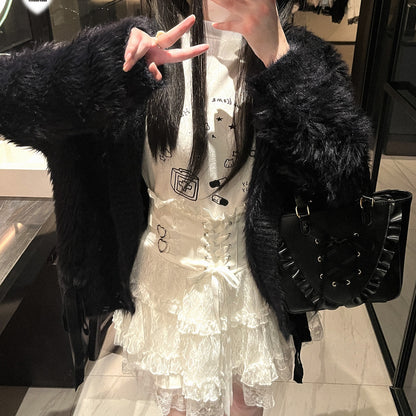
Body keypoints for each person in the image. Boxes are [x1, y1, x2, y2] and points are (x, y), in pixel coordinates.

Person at [0, 1, 372, 415]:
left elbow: (346, 177)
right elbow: (11, 99)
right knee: (179, 408)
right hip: (167, 282)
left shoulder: (300, 53)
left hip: (254, 287)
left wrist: (280, 59)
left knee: (245, 408)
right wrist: (105, 66)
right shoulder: (142, 46)